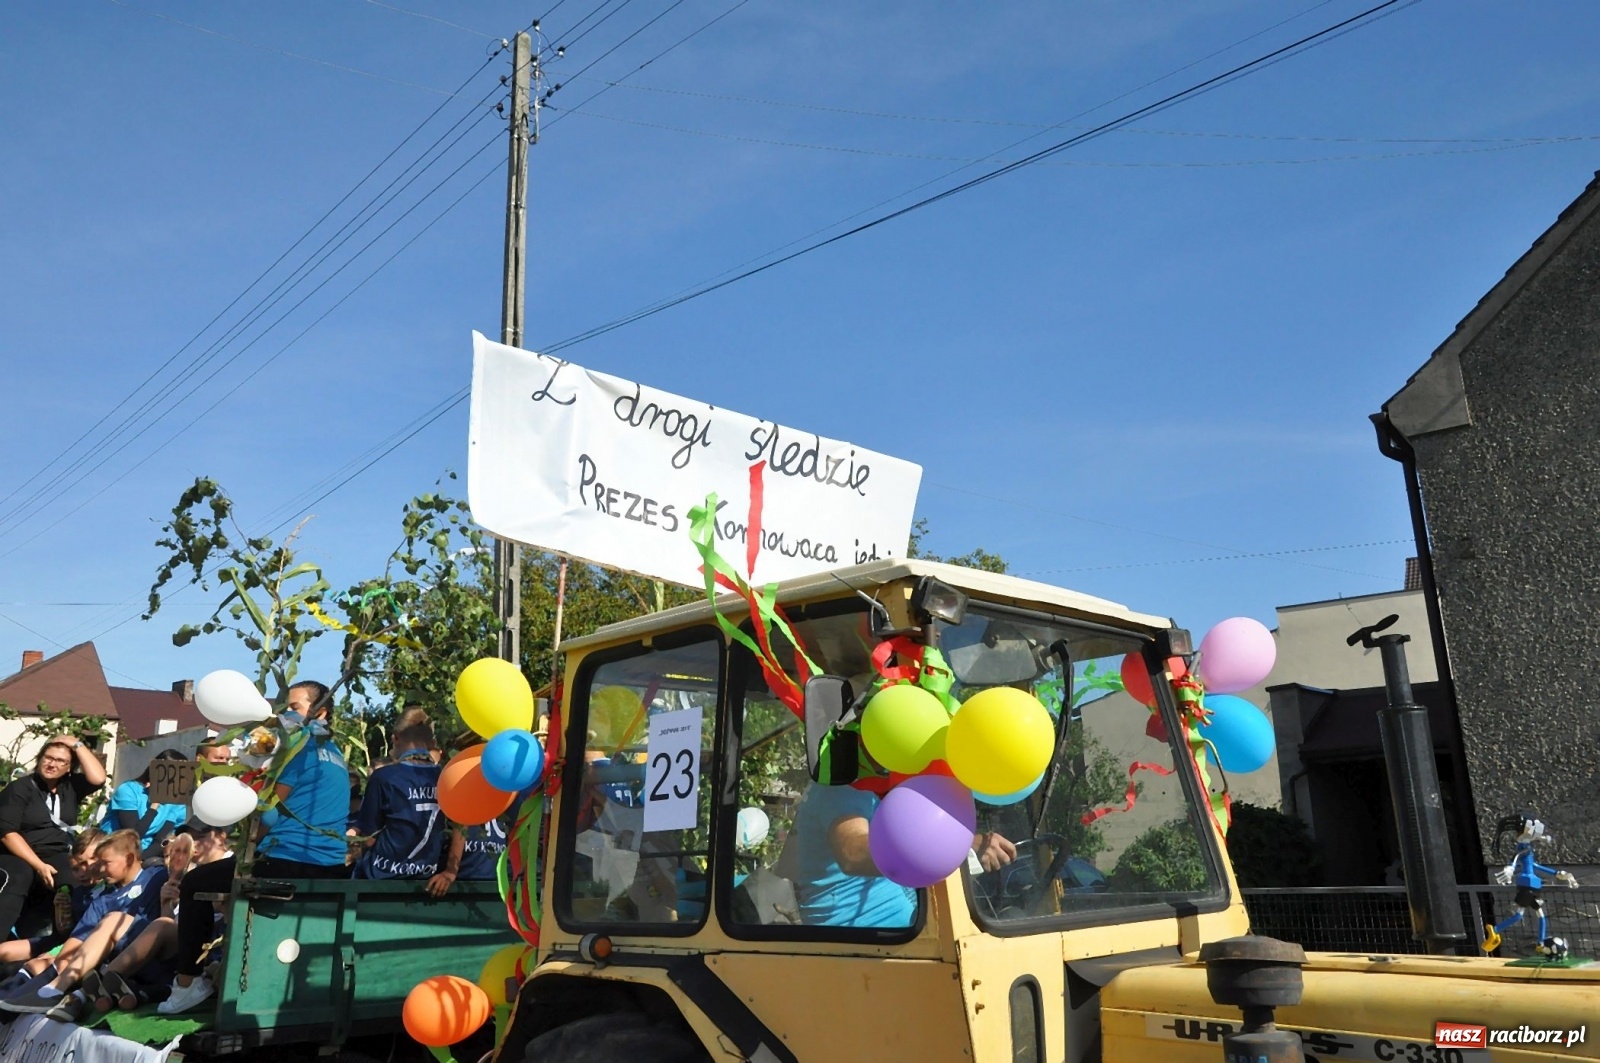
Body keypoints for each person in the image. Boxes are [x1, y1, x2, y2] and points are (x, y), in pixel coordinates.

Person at [791, 781, 1016, 928]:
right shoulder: (839, 785)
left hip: (898, 928)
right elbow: (853, 853)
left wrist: (964, 845)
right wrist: (958, 847)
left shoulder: (869, 785)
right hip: (861, 936)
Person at [74, 818, 235, 1016]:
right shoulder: (190, 872)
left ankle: (99, 985)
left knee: (157, 926)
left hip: (213, 951)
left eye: (200, 837)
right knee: (143, 924)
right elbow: (175, 922)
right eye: (190, 838)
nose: (194, 844)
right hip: (183, 951)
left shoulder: (232, 870)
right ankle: (113, 991)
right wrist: (166, 903)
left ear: (221, 837)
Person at [0, 830, 165, 1021]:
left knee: (112, 920)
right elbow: (75, 939)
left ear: (128, 859)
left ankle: (54, 994)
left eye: (105, 863)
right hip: (107, 962)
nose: (100, 869)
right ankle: (17, 1001)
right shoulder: (103, 899)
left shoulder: (157, 877)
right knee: (50, 962)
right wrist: (59, 962)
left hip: (154, 954)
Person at [0, 736, 106, 939]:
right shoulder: (20, 788)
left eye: (60, 761)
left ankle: (67, 943)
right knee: (20, 876)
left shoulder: (70, 787)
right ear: (40, 759)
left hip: (56, 852)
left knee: (75, 878)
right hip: (17, 852)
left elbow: (98, 778)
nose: (52, 764)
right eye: (48, 757)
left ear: (69, 767)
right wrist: (38, 865)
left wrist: (75, 743)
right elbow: (7, 833)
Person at [350, 709, 462, 896]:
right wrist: (451, 871)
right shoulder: (447, 777)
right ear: (431, 743)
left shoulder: (384, 777)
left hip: (380, 880)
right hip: (428, 882)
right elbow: (461, 826)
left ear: (395, 738)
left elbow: (368, 838)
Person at [254, 680, 351, 878]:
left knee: (195, 882)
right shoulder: (335, 752)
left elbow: (271, 808)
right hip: (332, 865)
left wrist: (246, 845)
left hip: (284, 858)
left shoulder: (298, 747)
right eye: (283, 708)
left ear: (320, 713)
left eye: (294, 707)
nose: (284, 714)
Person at [102, 750, 189, 863]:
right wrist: (155, 804)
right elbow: (133, 835)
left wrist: (139, 862)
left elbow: (160, 840)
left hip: (144, 858)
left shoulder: (176, 803)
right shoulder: (128, 790)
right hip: (112, 852)